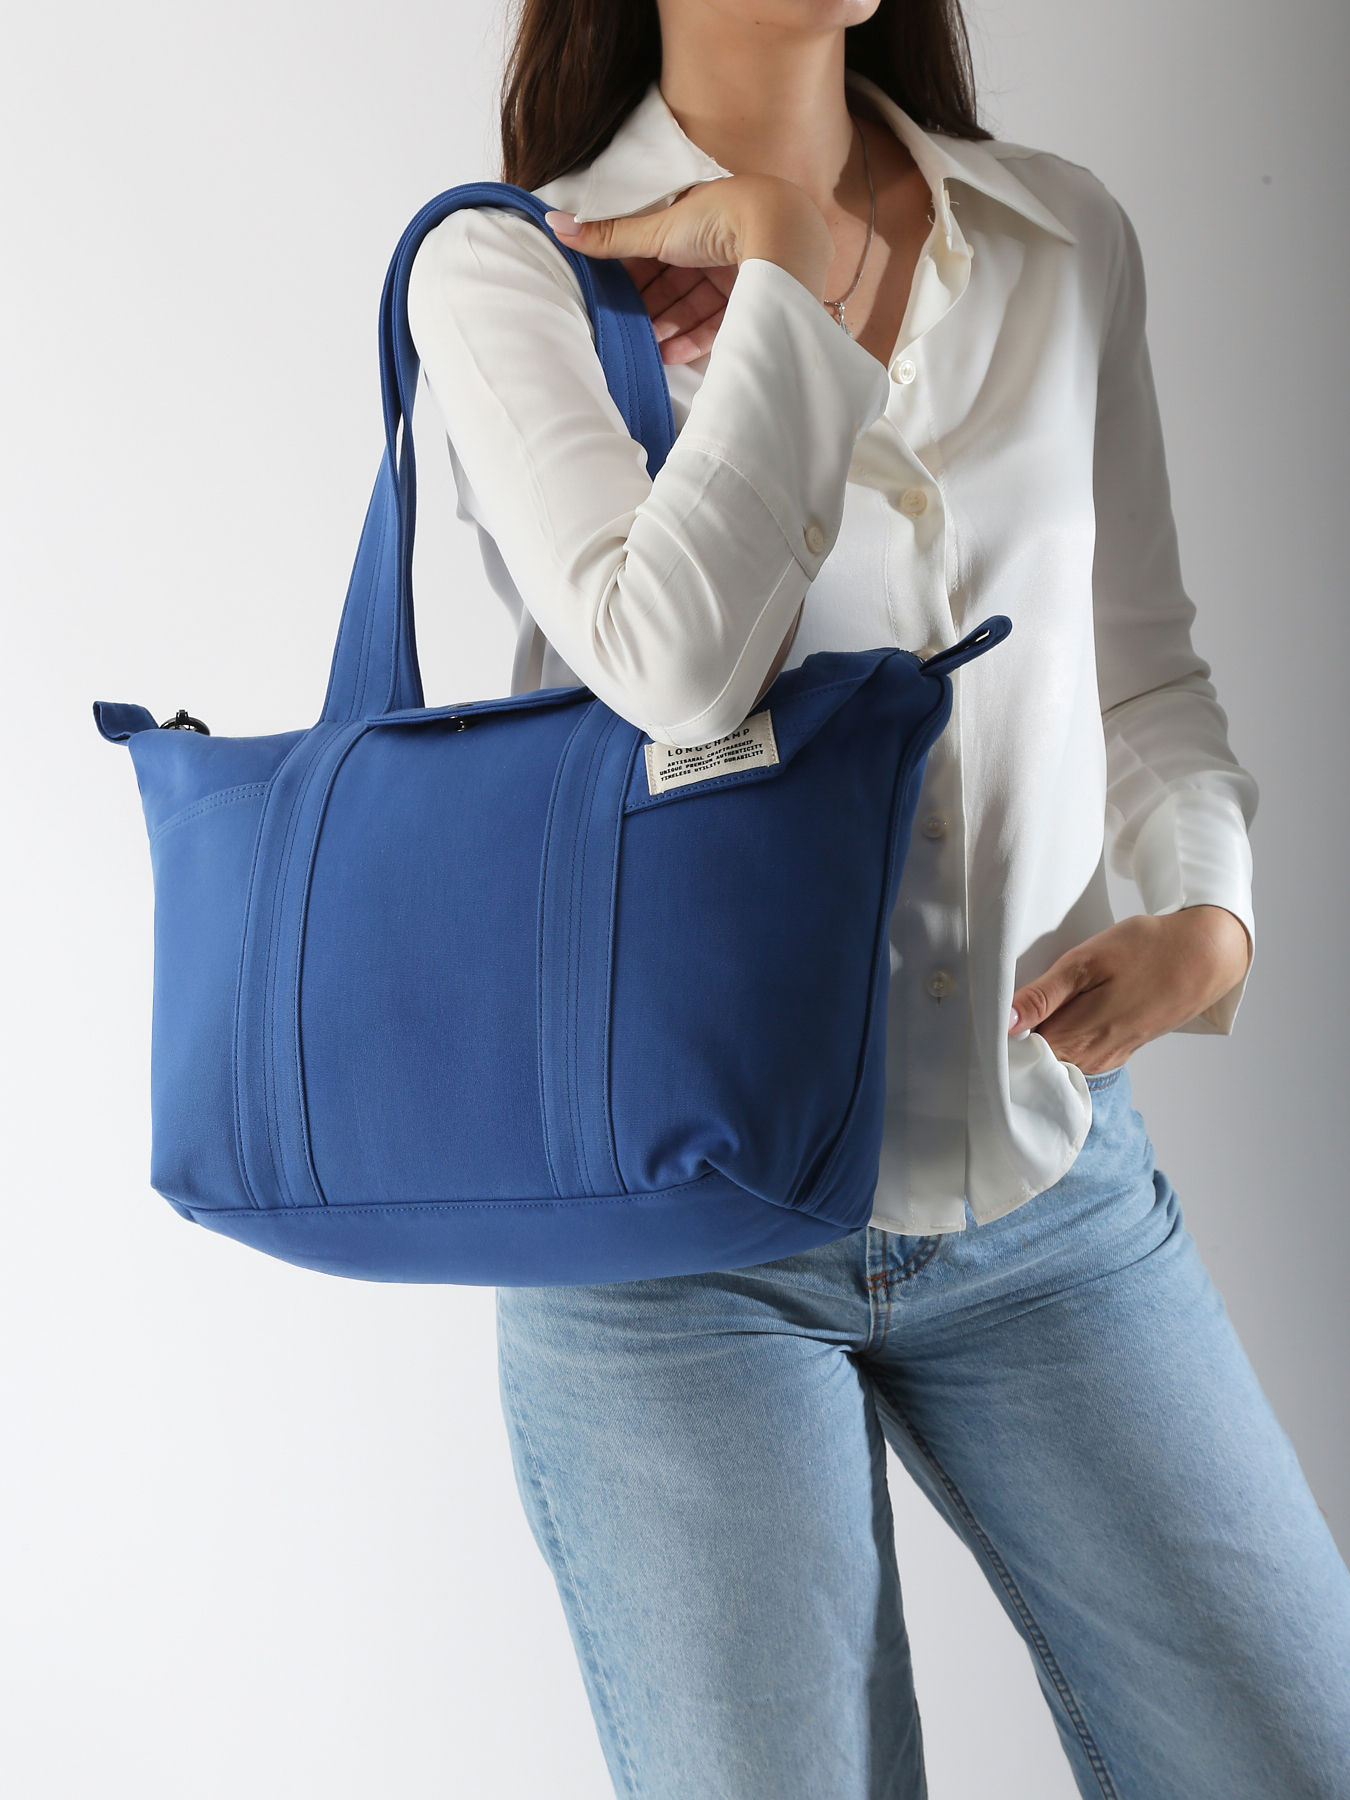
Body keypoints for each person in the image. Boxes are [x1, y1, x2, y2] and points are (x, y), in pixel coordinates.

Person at [405, 2, 1350, 1794]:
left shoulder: (1057, 237)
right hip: (672, 1242)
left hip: (1043, 1175)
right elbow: (668, 668)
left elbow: (1143, 671)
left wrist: (1207, 914)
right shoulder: (514, 269)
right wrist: (789, 275)